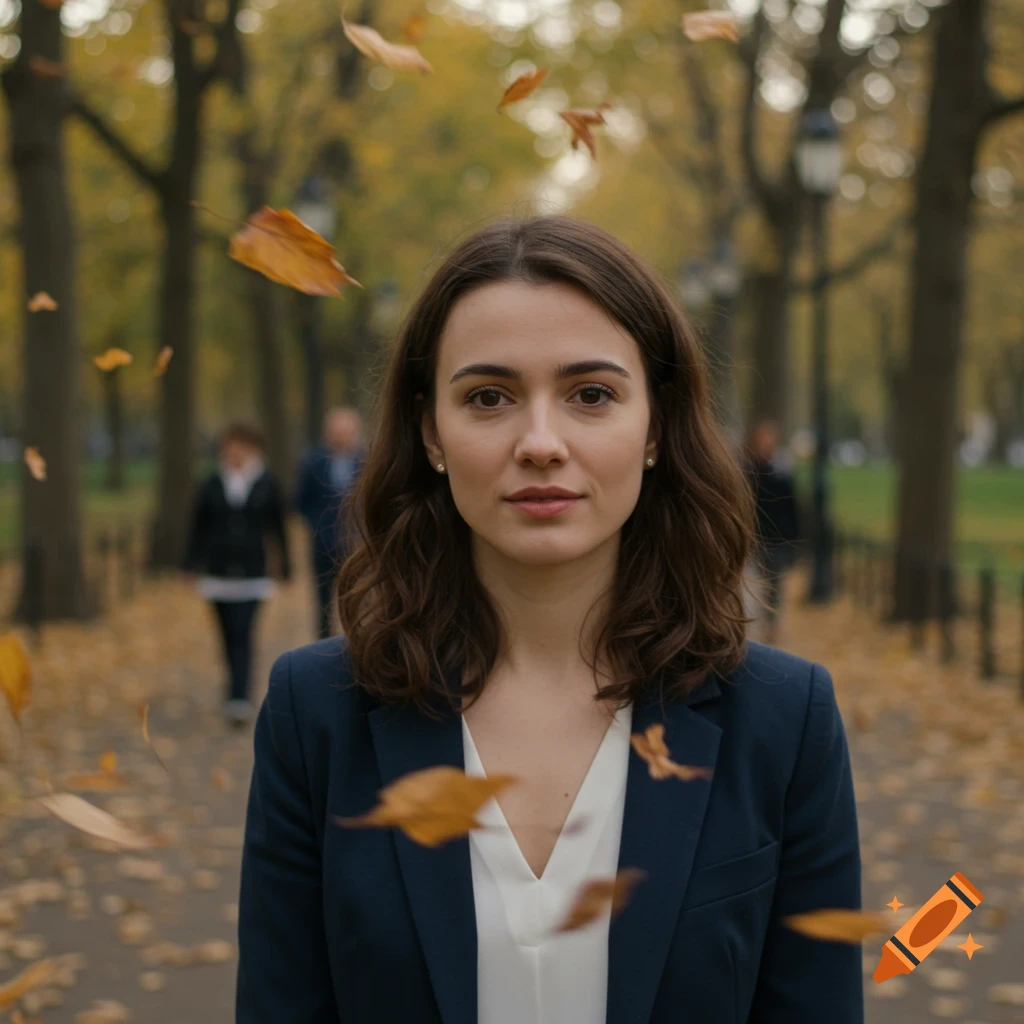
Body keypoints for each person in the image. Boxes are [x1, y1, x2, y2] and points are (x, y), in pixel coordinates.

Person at [236, 217, 862, 1023]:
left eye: (590, 395)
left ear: (656, 428)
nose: (540, 442)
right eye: (488, 397)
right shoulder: (314, 713)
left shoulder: (784, 720)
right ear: (431, 431)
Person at [183, 422, 291, 726]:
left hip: (252, 574)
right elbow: (198, 527)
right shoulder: (211, 483)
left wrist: (285, 565)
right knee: (227, 634)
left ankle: (239, 697)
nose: (235, 451)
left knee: (244, 632)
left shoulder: (267, 483)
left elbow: (278, 528)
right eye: (231, 445)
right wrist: (190, 565)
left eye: (242, 445)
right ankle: (233, 687)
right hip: (218, 573)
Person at [294, 406, 365, 640]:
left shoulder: (368, 461)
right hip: (322, 545)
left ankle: (358, 646)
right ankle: (323, 647)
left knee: (358, 601)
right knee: (322, 603)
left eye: (346, 430)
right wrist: (316, 525)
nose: (341, 435)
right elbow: (301, 502)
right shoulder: (312, 462)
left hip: (357, 546)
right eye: (337, 430)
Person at [743, 419, 802, 646]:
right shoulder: (745, 471)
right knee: (752, 582)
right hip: (751, 538)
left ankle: (770, 625)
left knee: (774, 584)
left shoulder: (782, 471)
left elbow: (792, 506)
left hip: (776, 538)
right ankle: (753, 626)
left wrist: (793, 539)